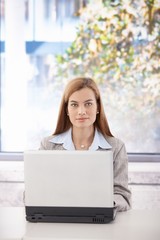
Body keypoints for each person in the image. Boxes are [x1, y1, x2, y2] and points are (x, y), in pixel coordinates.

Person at [40, 77, 132, 212]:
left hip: (99, 220)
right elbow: (32, 192)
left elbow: (123, 196)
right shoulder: (48, 146)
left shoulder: (116, 147)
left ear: (98, 107)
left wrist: (102, 204)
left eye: (88, 104)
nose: (81, 111)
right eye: (74, 104)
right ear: (66, 109)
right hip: (59, 219)